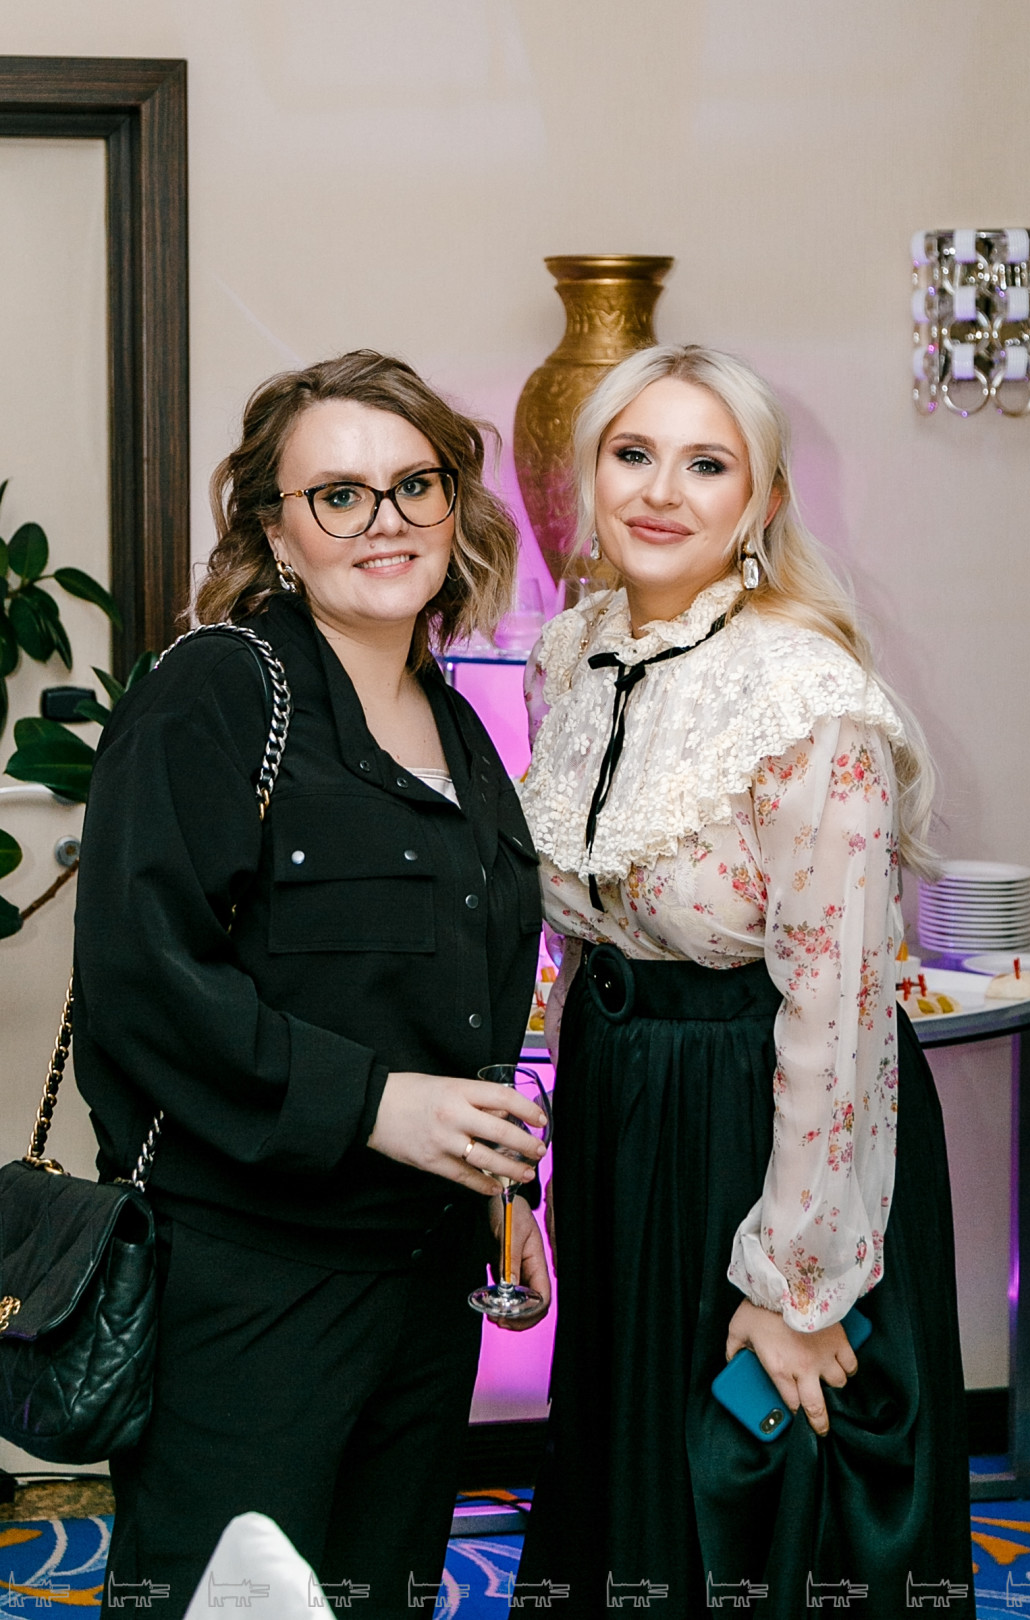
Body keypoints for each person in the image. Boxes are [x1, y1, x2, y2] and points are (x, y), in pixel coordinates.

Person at [72, 350, 550, 1616]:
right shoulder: (218, 691)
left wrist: (508, 1200)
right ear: (277, 533)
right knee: (227, 1600)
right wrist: (375, 1103)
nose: (385, 520)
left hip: (427, 1279)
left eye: (414, 485)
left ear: (455, 505)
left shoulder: (456, 723)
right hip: (252, 1285)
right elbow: (143, 986)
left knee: (379, 1596)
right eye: (339, 495)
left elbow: (464, 1003)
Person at [517, 345, 974, 1617]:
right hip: (621, 1115)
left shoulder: (806, 695)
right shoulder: (571, 656)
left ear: (763, 500)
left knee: (751, 1478)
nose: (662, 491)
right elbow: (579, 933)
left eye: (707, 464)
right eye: (633, 454)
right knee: (624, 1468)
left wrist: (797, 1280)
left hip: (764, 1123)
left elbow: (839, 1008)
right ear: (589, 480)